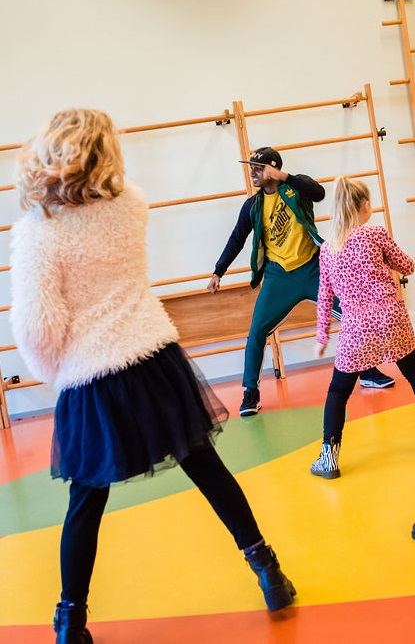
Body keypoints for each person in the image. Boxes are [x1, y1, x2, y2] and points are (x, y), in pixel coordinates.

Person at [9, 110, 296, 644]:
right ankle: (269, 571)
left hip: (92, 375)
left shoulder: (36, 234)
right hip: (154, 357)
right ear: (106, 154)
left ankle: (70, 621)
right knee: (206, 467)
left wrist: (61, 373)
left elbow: (36, 329)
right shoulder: (130, 206)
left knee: (85, 501)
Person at [207, 147, 394, 417]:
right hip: (278, 276)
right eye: (252, 168)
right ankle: (250, 393)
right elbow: (237, 238)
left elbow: (318, 192)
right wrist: (218, 272)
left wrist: (284, 176)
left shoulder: (295, 188)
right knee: (256, 332)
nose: (253, 173)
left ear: (272, 168)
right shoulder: (253, 206)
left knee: (353, 314)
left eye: (258, 168)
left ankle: (367, 371)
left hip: (313, 268)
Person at [310, 176, 415, 479]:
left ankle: (329, 458)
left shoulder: (328, 249)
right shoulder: (376, 234)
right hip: (392, 319)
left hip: (356, 331)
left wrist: (321, 337)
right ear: (365, 206)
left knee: (338, 392)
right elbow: (407, 265)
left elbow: (324, 297)